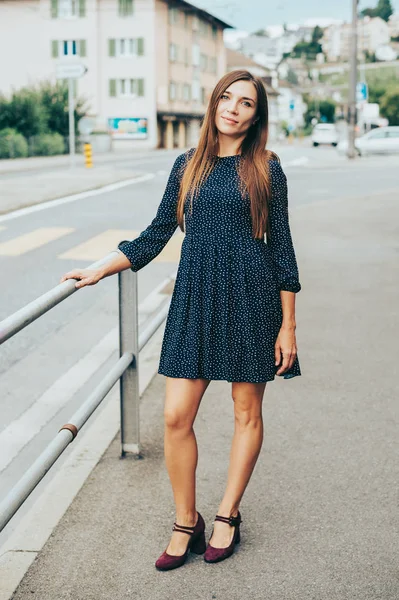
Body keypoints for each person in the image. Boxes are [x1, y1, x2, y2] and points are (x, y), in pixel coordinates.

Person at [60, 69, 302, 570]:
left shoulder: (267, 168)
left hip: (251, 299)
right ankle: (185, 518)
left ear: (257, 116)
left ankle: (228, 515)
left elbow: (282, 249)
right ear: (214, 104)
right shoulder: (187, 165)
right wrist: (101, 269)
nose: (234, 108)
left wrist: (288, 326)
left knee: (245, 413)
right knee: (175, 416)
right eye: (227, 98)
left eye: (247, 103)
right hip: (195, 300)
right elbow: (156, 234)